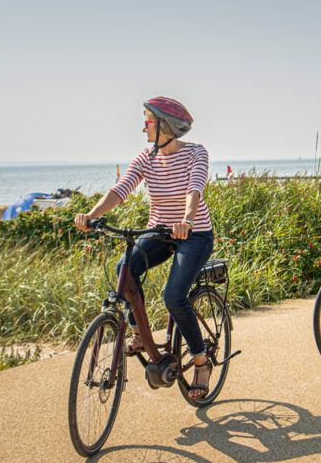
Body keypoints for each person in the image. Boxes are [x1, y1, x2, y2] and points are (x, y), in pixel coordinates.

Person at [73, 96, 215, 398]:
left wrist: (187, 220)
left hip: (195, 234)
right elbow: (120, 189)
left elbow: (195, 188)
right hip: (160, 232)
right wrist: (92, 215)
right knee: (125, 268)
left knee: (174, 297)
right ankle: (138, 334)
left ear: (165, 125)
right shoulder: (145, 157)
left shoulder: (195, 154)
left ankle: (201, 361)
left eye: (147, 120)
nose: (143, 127)